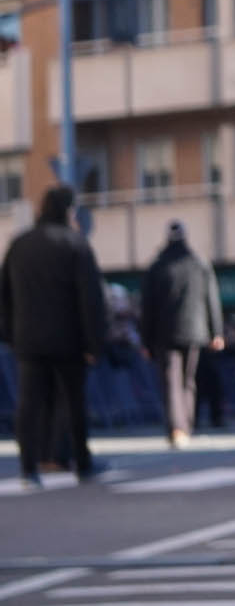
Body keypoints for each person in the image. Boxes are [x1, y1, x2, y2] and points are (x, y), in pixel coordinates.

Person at [0, 184, 109, 486]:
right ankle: (82, 463)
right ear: (67, 211)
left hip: (28, 339)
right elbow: (90, 298)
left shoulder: (19, 245)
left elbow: (4, 296)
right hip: (68, 340)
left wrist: (9, 334)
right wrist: (93, 342)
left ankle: (28, 467)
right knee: (73, 403)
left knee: (29, 404)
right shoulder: (75, 244)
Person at [139, 221, 224, 449]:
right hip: (195, 331)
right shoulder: (199, 264)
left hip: (163, 333)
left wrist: (144, 339)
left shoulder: (157, 266)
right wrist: (216, 332)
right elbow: (212, 300)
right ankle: (186, 425)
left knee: (170, 381)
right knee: (188, 380)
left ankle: (176, 428)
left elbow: (147, 306)